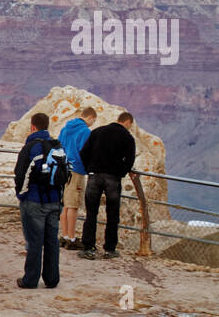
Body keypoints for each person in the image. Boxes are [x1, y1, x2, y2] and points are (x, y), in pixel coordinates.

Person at [14, 113, 64, 289]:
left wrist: (22, 195)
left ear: (33, 127)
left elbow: (21, 174)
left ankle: (30, 280)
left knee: (35, 241)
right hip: (55, 201)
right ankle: (52, 279)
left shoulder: (31, 148)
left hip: (34, 201)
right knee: (52, 241)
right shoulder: (56, 146)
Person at [79, 111, 137, 260]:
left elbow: (84, 152)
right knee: (112, 215)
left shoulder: (97, 132)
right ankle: (109, 249)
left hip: (94, 176)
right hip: (113, 178)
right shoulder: (127, 137)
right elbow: (130, 161)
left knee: (91, 213)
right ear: (127, 122)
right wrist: (121, 173)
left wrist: (89, 169)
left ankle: (88, 248)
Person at [57, 107, 96, 250]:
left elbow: (58, 146)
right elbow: (85, 151)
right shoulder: (85, 131)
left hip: (64, 169)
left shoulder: (66, 128)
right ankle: (72, 238)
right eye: (93, 120)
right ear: (91, 117)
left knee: (66, 204)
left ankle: (65, 235)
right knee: (73, 205)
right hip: (77, 170)